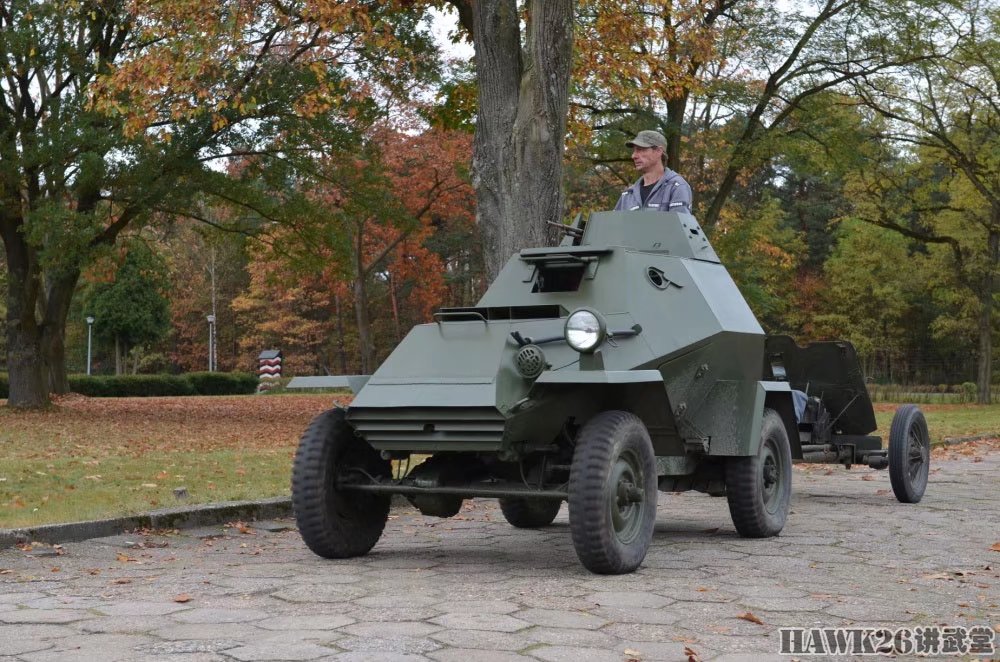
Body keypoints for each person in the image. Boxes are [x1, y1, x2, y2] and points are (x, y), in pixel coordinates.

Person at [614, 130, 693, 214]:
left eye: (640, 150)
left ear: (658, 151)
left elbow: (678, 226)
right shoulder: (628, 194)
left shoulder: (676, 187)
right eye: (634, 151)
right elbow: (613, 226)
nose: (634, 156)